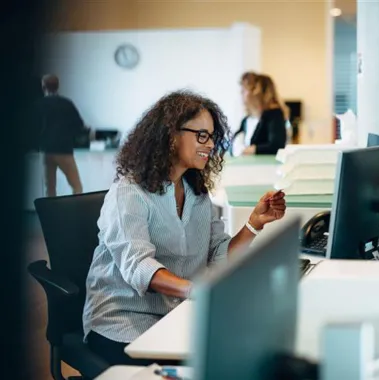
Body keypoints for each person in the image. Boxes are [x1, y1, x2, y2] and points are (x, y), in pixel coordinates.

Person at [82, 90, 287, 366]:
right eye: (202, 135)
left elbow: (218, 253)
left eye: (212, 136)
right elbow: (140, 267)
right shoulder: (129, 193)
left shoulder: (196, 193)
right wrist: (197, 291)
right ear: (170, 136)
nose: (210, 144)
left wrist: (254, 224)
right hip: (122, 321)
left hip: (176, 315)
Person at [36, 74, 85, 196]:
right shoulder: (67, 103)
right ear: (58, 86)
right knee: (77, 186)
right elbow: (79, 125)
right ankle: (76, 212)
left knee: (50, 188)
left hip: (47, 151)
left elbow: (32, 127)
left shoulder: (39, 105)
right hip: (64, 150)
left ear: (43, 87)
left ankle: (50, 214)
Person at [233, 72, 288, 155]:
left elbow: (276, 145)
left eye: (244, 90)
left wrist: (250, 150)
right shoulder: (247, 119)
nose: (241, 93)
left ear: (256, 92)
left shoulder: (274, 115)